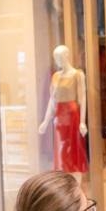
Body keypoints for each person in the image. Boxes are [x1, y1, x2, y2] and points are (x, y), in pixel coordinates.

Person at [38, 45, 88, 185]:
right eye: (55, 58)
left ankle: (76, 189)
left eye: (59, 57)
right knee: (61, 155)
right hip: (59, 120)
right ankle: (65, 190)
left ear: (66, 56)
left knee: (74, 154)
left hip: (72, 116)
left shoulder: (77, 74)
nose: (57, 60)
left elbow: (82, 98)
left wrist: (82, 122)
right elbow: (52, 101)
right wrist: (45, 121)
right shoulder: (55, 76)